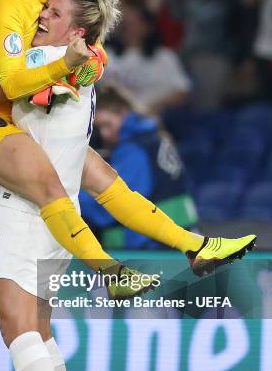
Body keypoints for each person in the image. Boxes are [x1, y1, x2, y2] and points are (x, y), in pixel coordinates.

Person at [0, 0, 255, 371]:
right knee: (41, 330)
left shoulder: (53, 69)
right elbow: (106, 178)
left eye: (54, 11)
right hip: (62, 214)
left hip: (30, 209)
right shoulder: (87, 65)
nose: (43, 15)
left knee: (15, 323)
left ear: (78, 29)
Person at [0, 0, 254, 289]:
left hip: (21, 112)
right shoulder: (9, 1)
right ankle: (110, 273)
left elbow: (92, 52)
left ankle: (197, 245)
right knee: (49, 184)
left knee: (107, 179)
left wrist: (83, 64)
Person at [80, 86, 198, 249]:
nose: (105, 134)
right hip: (179, 240)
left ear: (123, 112)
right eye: (100, 128)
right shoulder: (154, 137)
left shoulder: (134, 150)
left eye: (108, 125)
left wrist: (70, 191)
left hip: (151, 248)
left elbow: (109, 210)